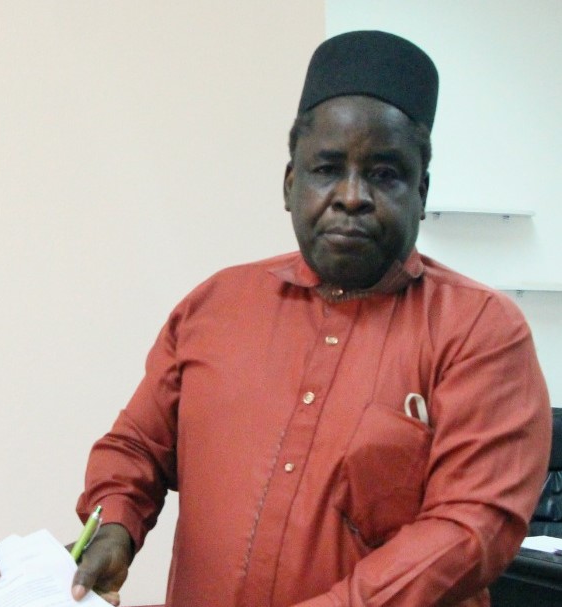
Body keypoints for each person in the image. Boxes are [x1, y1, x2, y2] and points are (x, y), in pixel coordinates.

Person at [70, 30, 552, 607]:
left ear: (421, 192)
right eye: (327, 169)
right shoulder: (214, 307)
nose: (352, 196)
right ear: (290, 184)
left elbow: (473, 527)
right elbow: (136, 448)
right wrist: (117, 523)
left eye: (384, 174)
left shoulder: (482, 332)